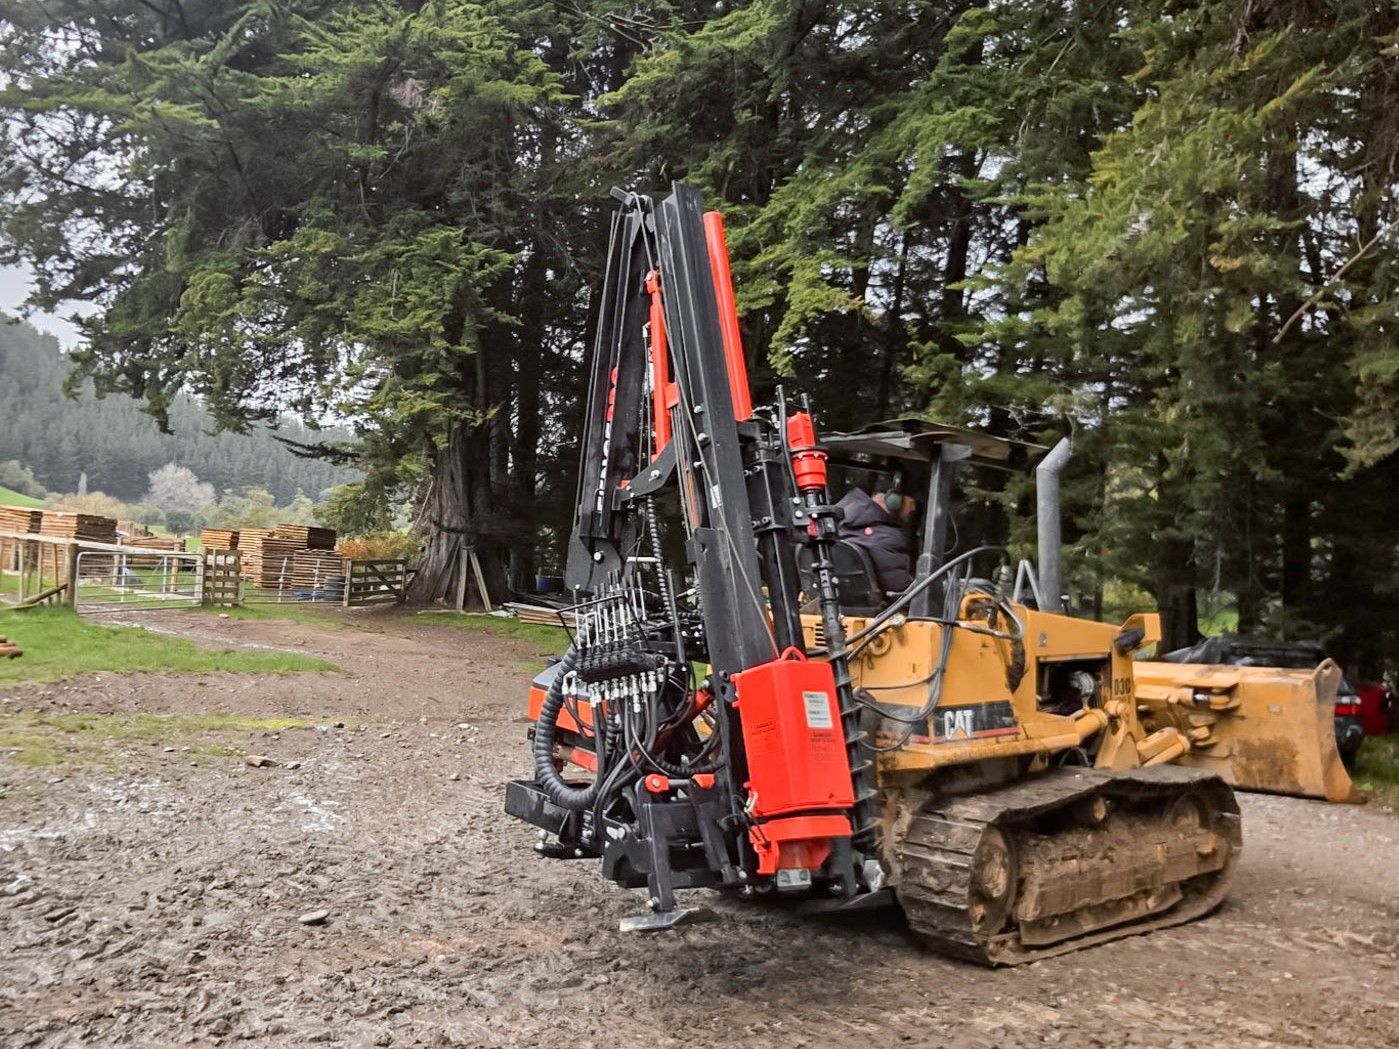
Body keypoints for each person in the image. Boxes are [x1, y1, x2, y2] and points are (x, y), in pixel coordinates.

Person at [835, 487, 916, 594]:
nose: (913, 509)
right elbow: (900, 590)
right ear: (895, 501)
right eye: (912, 503)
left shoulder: (834, 525)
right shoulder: (888, 538)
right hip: (872, 608)